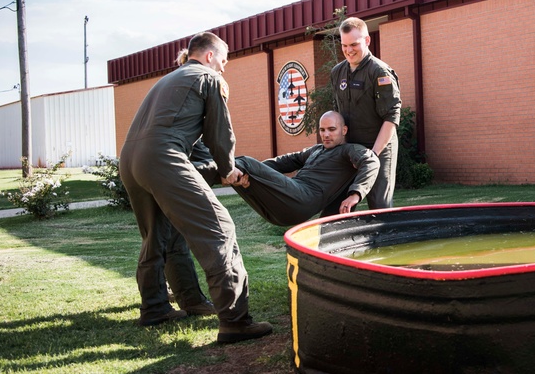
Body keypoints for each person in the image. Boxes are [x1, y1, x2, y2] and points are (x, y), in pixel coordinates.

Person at [119, 31, 272, 344]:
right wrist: (228, 171)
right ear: (210, 56)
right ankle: (235, 321)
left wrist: (214, 170)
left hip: (130, 160)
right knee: (220, 229)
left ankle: (156, 308)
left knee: (157, 234)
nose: (223, 70)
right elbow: (219, 133)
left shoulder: (169, 80)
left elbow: (194, 142)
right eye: (223, 62)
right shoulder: (207, 77)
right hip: (162, 157)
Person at [197, 111, 379, 225]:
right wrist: (254, 173)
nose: (325, 134)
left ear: (344, 130)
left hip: (303, 199)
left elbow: (371, 162)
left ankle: (183, 173)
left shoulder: (349, 150)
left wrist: (355, 194)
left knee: (246, 162)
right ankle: (191, 154)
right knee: (238, 167)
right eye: (322, 130)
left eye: (331, 129)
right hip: (281, 209)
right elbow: (284, 161)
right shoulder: (316, 149)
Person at [329, 17, 401, 210]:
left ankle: (385, 240)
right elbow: (338, 113)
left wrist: (373, 155)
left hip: (378, 147)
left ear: (367, 41)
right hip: (350, 147)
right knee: (339, 201)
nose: (348, 50)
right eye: (344, 45)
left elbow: (391, 118)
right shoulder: (337, 72)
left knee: (379, 207)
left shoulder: (380, 72)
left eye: (354, 44)